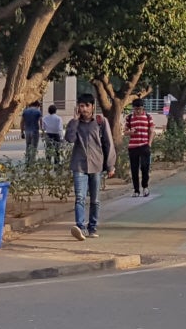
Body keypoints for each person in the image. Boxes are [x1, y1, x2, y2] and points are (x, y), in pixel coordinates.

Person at [65, 93, 116, 240]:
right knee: (80, 197)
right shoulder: (74, 123)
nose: (84, 109)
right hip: (79, 165)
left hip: (96, 165)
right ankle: (80, 228)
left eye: (87, 105)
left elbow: (108, 143)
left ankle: (92, 227)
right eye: (81, 106)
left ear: (93, 106)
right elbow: (69, 139)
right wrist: (74, 121)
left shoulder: (101, 121)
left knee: (95, 200)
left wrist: (110, 165)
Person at [124, 98, 155, 197]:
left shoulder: (148, 117)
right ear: (133, 108)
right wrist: (130, 132)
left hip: (144, 145)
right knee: (134, 168)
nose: (138, 111)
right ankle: (136, 190)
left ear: (143, 108)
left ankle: (145, 186)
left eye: (140, 109)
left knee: (145, 167)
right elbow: (125, 132)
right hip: (133, 146)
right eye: (136, 109)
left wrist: (149, 143)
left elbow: (151, 131)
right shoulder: (129, 118)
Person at [20, 101, 42, 166]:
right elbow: (41, 121)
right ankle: (32, 164)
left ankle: (27, 162)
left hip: (27, 131)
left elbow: (22, 122)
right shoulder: (38, 112)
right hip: (35, 131)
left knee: (28, 147)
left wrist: (22, 132)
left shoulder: (25, 111)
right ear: (37, 105)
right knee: (34, 148)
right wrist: (42, 130)